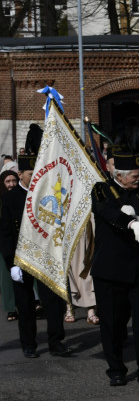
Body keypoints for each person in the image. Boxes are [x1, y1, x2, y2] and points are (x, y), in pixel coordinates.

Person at [91, 149, 139, 386]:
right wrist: (130, 223)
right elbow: (108, 213)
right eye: (134, 176)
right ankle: (116, 369)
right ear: (119, 175)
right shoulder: (101, 190)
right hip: (111, 269)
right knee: (112, 322)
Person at [0, 152, 71, 358]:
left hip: (46, 256)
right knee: (25, 304)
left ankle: (56, 341)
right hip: (21, 257)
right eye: (31, 173)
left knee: (53, 302)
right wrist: (11, 263)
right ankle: (28, 344)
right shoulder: (9, 198)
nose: (35, 176)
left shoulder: (47, 193)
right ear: (20, 174)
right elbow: (5, 233)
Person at [0, 170, 20, 321]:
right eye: (8, 181)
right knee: (6, 276)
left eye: (14, 181)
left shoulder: (21, 196)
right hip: (4, 242)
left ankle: (36, 302)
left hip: (20, 240)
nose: (11, 184)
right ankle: (11, 308)